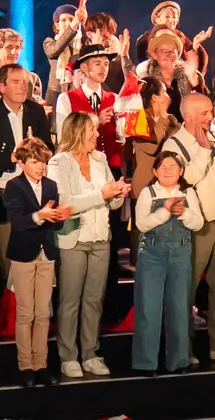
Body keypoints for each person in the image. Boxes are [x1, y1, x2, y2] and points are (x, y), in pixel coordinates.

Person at [162, 92, 215, 365]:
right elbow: (186, 179)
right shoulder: (174, 146)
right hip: (192, 229)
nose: (211, 117)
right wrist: (203, 150)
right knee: (184, 291)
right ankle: (181, 350)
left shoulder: (212, 137)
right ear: (187, 117)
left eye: (211, 111)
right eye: (204, 114)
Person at [49, 111, 129, 379]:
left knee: (94, 299)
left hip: (99, 238)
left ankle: (90, 353)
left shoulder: (100, 159)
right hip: (74, 239)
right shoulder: (59, 163)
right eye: (92, 130)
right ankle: (68, 356)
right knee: (70, 300)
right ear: (76, 132)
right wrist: (101, 194)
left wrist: (117, 194)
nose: (97, 134)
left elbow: (109, 201)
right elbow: (65, 204)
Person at [0, 62, 52, 309]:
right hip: (4, 192)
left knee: (35, 254)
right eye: (16, 82)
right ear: (1, 86)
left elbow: (48, 146)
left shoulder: (36, 112)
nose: (22, 87)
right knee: (6, 258)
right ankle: (3, 314)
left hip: (35, 191)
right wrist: (12, 158)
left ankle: (36, 310)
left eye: (24, 82)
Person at [3, 137, 70, 387]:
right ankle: (25, 365)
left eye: (42, 162)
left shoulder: (51, 185)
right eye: (34, 161)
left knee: (43, 313)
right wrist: (39, 215)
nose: (40, 167)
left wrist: (59, 216)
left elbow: (57, 223)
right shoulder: (14, 187)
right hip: (23, 253)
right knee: (25, 312)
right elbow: (18, 222)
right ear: (21, 163)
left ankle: (41, 364)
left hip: (46, 254)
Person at [132, 149, 204, 376]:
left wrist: (183, 213)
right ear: (155, 171)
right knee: (148, 309)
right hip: (152, 255)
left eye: (172, 166)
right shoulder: (148, 193)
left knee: (179, 307)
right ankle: (146, 363)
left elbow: (199, 223)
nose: (167, 170)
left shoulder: (188, 193)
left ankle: (178, 360)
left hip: (181, 253)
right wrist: (165, 212)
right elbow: (142, 224)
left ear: (181, 171)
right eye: (162, 167)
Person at [54, 44, 125, 170]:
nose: (103, 69)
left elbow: (122, 136)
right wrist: (97, 121)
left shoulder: (114, 99)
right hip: (78, 168)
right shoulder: (66, 99)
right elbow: (63, 138)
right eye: (97, 64)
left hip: (111, 168)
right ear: (84, 68)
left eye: (106, 64)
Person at [136, 29, 206, 121]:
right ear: (155, 54)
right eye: (165, 52)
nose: (171, 55)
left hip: (186, 131)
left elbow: (203, 110)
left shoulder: (189, 74)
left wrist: (194, 81)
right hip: (157, 130)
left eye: (174, 51)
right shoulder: (148, 79)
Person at [134, 1, 212, 75]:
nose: (171, 20)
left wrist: (196, 44)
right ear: (156, 19)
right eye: (167, 16)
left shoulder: (181, 37)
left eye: (174, 17)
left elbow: (193, 68)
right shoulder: (145, 40)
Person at [43, 3, 85, 107]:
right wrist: (73, 26)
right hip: (55, 91)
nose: (68, 23)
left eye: (71, 19)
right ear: (56, 25)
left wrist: (84, 23)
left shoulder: (82, 44)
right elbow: (55, 49)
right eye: (63, 20)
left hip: (77, 90)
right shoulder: (49, 42)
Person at [83, 11, 133, 93]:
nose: (107, 35)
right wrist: (96, 51)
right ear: (89, 35)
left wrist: (125, 56)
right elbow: (86, 86)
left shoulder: (118, 61)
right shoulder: (78, 60)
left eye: (109, 30)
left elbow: (133, 84)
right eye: (102, 30)